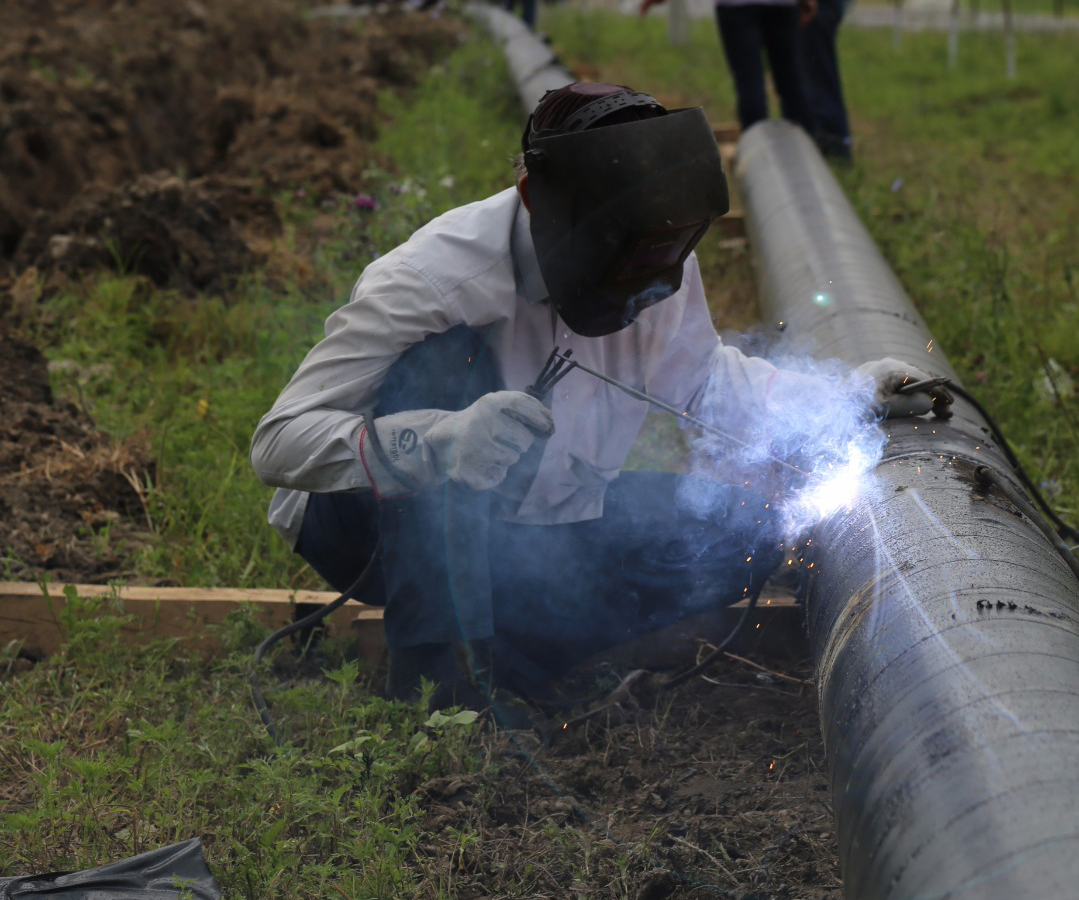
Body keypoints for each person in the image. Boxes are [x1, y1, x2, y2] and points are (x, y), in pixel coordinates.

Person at [250, 83, 946, 718]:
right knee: (441, 365)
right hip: (367, 531)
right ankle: (440, 679)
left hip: (527, 530)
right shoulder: (435, 279)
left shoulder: (656, 249)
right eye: (630, 258)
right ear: (534, 197)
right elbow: (279, 441)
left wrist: (844, 397)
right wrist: (438, 440)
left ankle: (516, 656)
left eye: (666, 257)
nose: (651, 285)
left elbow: (707, 383)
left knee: (741, 533)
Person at [640, 0, 816, 137]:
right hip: (781, 7)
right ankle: (808, 146)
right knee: (790, 80)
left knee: (749, 81)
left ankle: (757, 148)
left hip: (737, 7)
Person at [798, 0, 852, 161]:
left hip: (818, 7)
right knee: (813, 73)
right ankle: (830, 143)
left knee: (817, 74)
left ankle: (834, 147)